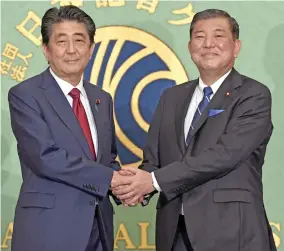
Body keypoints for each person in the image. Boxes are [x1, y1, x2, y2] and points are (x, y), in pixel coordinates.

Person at [112, 9, 277, 251]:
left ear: (236, 46)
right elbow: (154, 160)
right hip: (174, 232)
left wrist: (153, 182)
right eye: (200, 37)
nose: (208, 44)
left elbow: (223, 156)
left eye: (218, 36)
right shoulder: (172, 97)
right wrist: (132, 187)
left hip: (232, 233)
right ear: (190, 47)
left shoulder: (253, 95)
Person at [8, 5, 127, 251]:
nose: (71, 50)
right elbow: (45, 157)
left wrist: (128, 186)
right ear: (46, 50)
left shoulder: (101, 98)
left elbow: (107, 159)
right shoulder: (26, 95)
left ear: (91, 49)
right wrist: (111, 179)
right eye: (61, 41)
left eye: (79, 40)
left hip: (99, 229)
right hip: (49, 230)